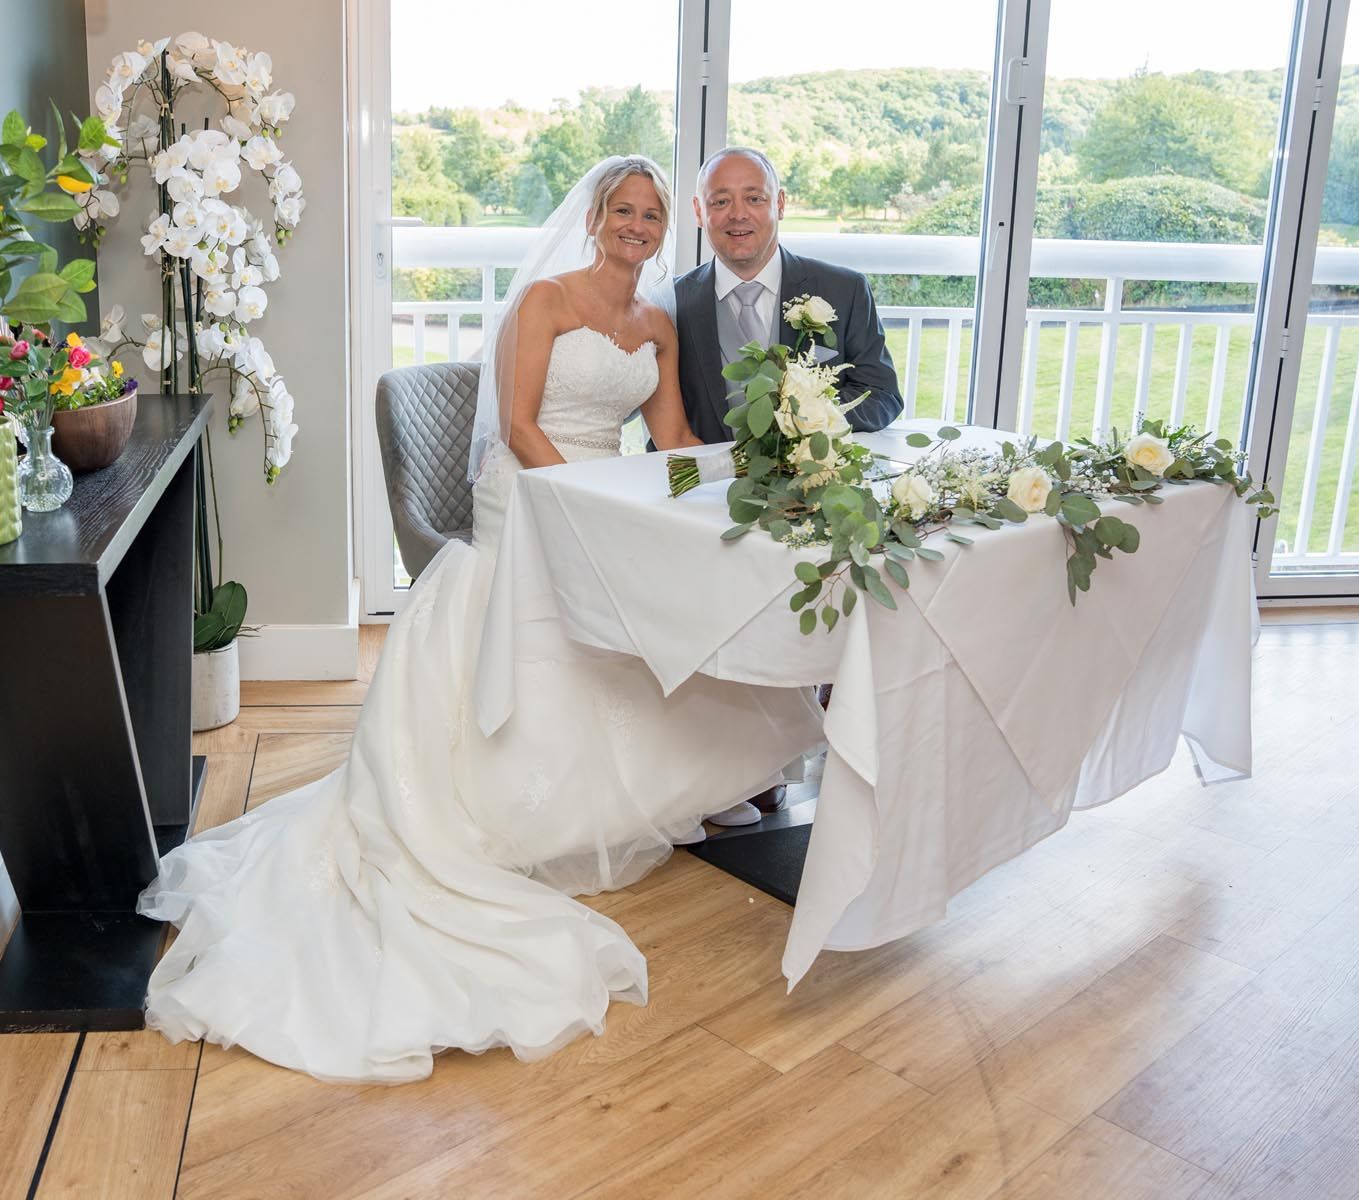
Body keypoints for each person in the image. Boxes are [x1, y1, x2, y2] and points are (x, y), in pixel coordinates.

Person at [138, 157, 824, 1084]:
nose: (637, 225)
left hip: (601, 500)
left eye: (653, 214)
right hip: (532, 495)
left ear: (670, 227)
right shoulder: (545, 301)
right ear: (593, 217)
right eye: (623, 210)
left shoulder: (656, 322)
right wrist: (587, 506)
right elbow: (517, 422)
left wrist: (742, 469)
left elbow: (667, 446)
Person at [674, 145, 902, 825]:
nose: (737, 214)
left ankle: (820, 727)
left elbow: (883, 394)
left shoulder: (841, 288)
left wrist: (811, 428)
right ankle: (745, 752)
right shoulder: (675, 301)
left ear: (780, 204)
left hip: (814, 490)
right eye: (720, 200)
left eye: (753, 196)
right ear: (699, 212)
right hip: (718, 503)